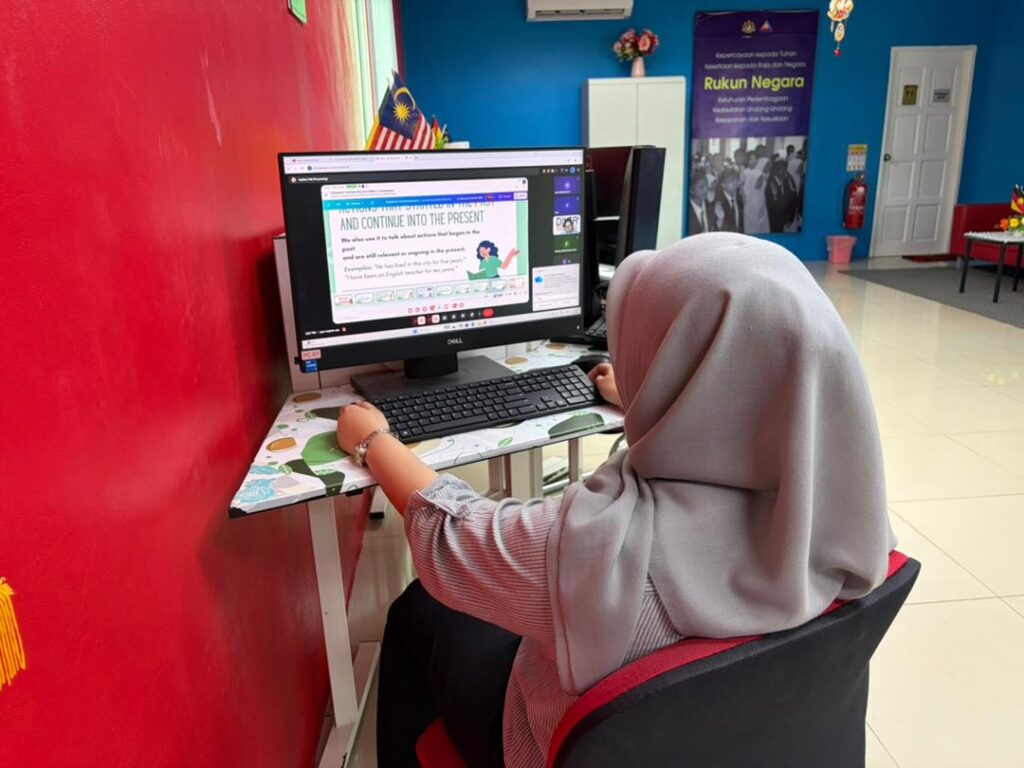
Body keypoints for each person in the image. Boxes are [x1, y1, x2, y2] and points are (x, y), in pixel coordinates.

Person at [337, 233, 895, 768]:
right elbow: (743, 418)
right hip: (756, 741)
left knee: (415, 609)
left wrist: (374, 441)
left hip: (553, 743)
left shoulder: (587, 555)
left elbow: (451, 533)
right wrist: (645, 401)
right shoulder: (849, 519)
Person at [766, 158, 799, 233]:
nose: (784, 172)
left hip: (787, 212)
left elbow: (793, 196)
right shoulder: (771, 180)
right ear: (776, 170)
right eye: (781, 169)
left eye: (785, 169)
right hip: (775, 214)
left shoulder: (789, 178)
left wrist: (789, 215)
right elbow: (770, 200)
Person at [741, 157, 770, 233]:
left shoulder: (761, 194)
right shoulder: (747, 198)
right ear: (752, 181)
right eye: (758, 180)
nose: (760, 183)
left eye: (761, 180)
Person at [713, 166, 743, 233]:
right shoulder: (719, 203)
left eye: (736, 180)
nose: (735, 183)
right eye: (731, 181)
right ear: (723, 185)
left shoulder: (739, 198)